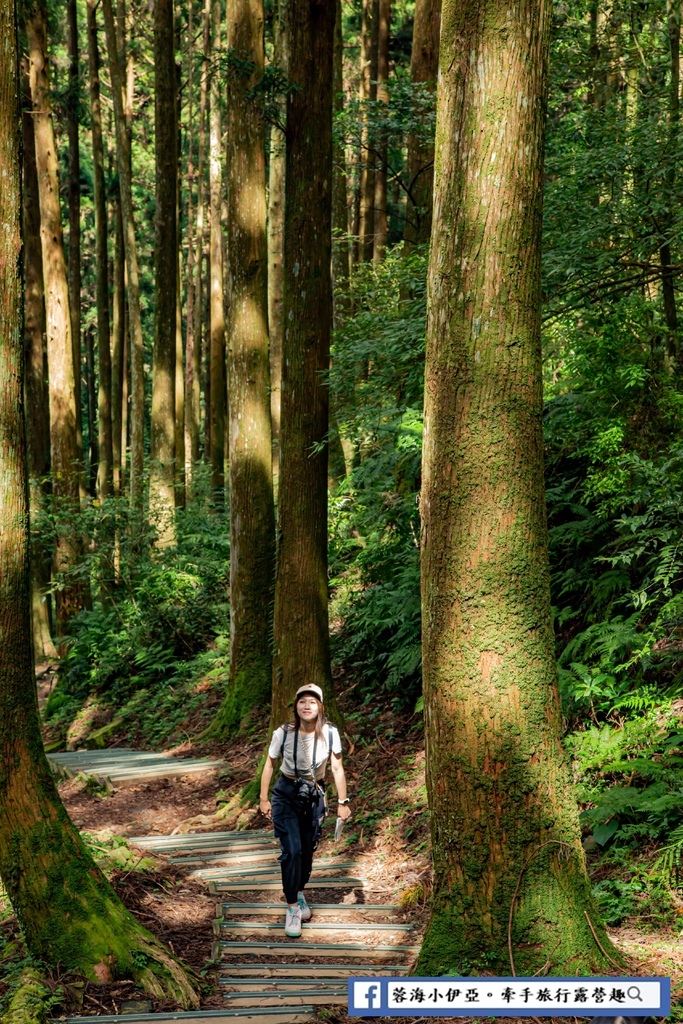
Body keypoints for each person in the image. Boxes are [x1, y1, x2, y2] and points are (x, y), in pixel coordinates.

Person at [259, 685, 352, 937]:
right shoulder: (284, 733)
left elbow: (337, 769)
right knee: (292, 850)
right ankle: (291, 908)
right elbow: (269, 764)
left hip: (314, 795)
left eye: (312, 702)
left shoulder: (330, 734)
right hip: (286, 794)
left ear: (320, 706)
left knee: (308, 849)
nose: (307, 706)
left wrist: (343, 802)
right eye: (302, 702)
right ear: (296, 706)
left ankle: (299, 892)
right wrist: (263, 798)